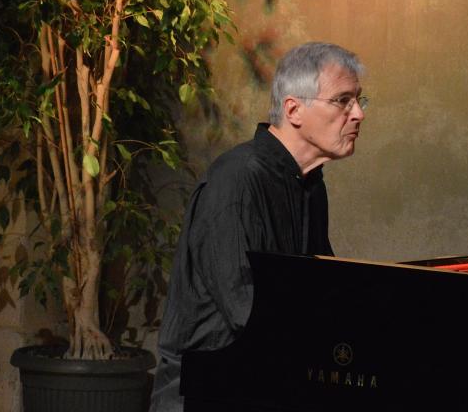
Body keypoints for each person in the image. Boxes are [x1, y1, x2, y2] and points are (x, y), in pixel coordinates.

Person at [149, 42, 367, 412]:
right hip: (207, 393)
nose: (358, 114)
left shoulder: (310, 185)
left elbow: (320, 290)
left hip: (263, 382)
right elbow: (247, 311)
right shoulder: (236, 180)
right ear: (294, 109)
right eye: (342, 100)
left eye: (359, 100)